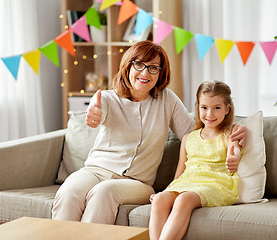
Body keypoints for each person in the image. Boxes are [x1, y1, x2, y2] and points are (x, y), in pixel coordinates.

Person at [52, 41, 246, 225]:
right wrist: (94, 114)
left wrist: (236, 128)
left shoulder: (166, 99)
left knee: (104, 192)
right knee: (70, 190)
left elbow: (195, 132)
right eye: (139, 64)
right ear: (128, 66)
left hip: (138, 182)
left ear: (160, 73)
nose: (145, 72)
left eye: (153, 67)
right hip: (96, 170)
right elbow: (97, 111)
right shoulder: (107, 99)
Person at [149, 80, 241, 240]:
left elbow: (235, 151)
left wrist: (234, 158)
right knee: (159, 199)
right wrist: (166, 190)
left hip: (215, 183)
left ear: (227, 109)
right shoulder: (188, 138)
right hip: (188, 182)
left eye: (217, 108)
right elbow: (179, 173)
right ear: (197, 107)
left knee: (184, 198)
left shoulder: (229, 135)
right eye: (204, 108)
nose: (210, 114)